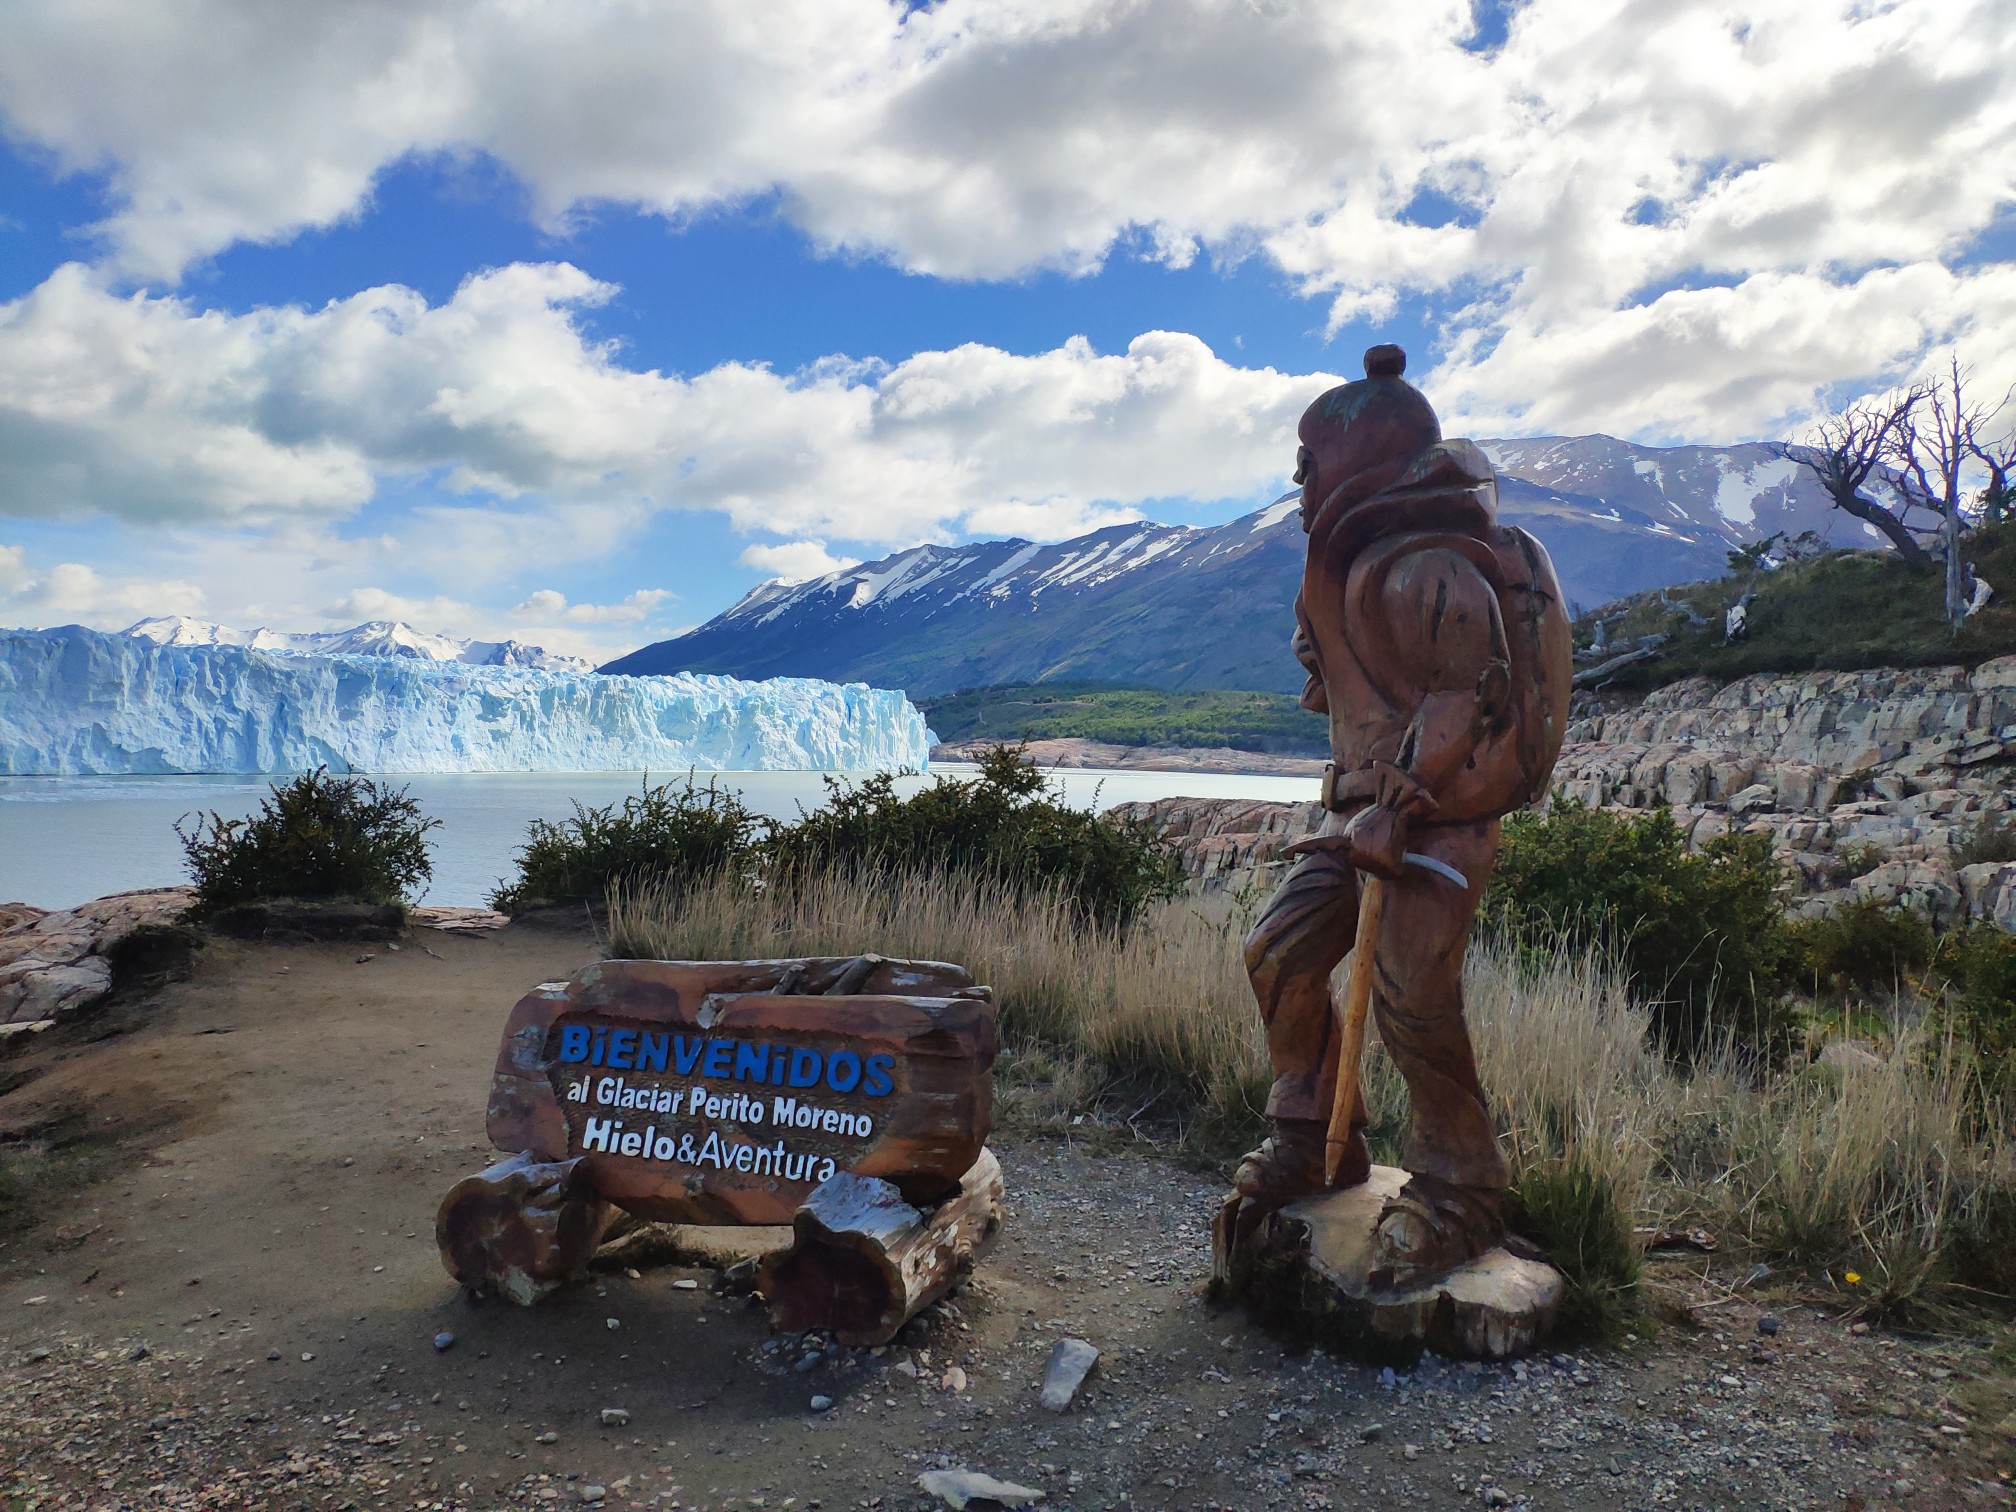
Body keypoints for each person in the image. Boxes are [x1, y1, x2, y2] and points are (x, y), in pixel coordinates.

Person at [1232, 345, 1572, 1285]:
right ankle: (1315, 1135)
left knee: (1411, 993)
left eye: (1310, 458)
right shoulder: (1351, 562)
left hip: (1437, 815)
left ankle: (1461, 1188)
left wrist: (1401, 803)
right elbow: (1357, 695)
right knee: (1280, 953)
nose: (1300, 477)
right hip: (1361, 812)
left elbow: (1465, 695)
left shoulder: (1420, 564)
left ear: (1355, 455)